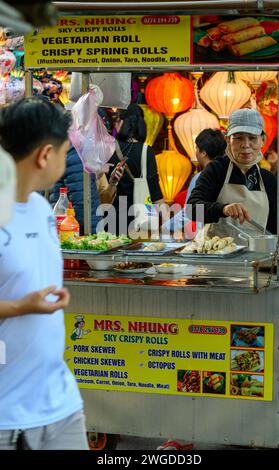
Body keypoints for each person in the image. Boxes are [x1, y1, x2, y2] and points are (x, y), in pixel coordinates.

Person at [0, 97, 89, 450]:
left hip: (60, 403)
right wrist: (22, 306)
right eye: (66, 152)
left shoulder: (41, 208)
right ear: (44, 155)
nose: (67, 160)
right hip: (8, 415)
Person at [187, 108, 277, 234]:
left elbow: (275, 227)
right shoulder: (216, 170)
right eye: (238, 138)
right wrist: (223, 209)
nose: (245, 145)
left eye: (252, 138)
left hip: (258, 252)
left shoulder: (269, 179)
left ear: (263, 140)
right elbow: (191, 210)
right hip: (219, 251)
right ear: (228, 140)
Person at [106, 104, 165, 235]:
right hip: (140, 221)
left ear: (122, 122)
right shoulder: (146, 151)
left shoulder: (108, 149)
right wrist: (167, 226)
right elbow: (155, 192)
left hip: (110, 217)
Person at [162, 129, 227, 239]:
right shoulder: (229, 175)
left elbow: (188, 212)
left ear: (203, 153)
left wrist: (166, 227)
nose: (195, 152)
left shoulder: (200, 178)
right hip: (228, 233)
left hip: (207, 236)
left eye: (197, 148)